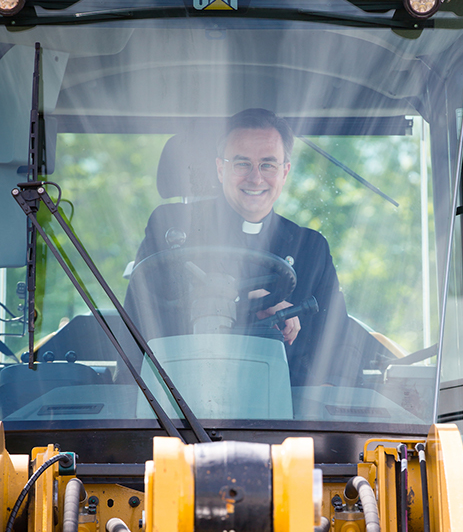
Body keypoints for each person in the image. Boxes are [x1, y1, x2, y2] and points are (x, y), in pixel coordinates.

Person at [132, 108, 352, 386]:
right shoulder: (171, 226)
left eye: (268, 165)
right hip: (181, 409)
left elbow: (338, 352)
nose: (256, 178)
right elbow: (140, 321)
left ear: (285, 172)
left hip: (287, 421)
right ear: (220, 168)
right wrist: (246, 300)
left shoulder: (311, 249)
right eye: (242, 164)